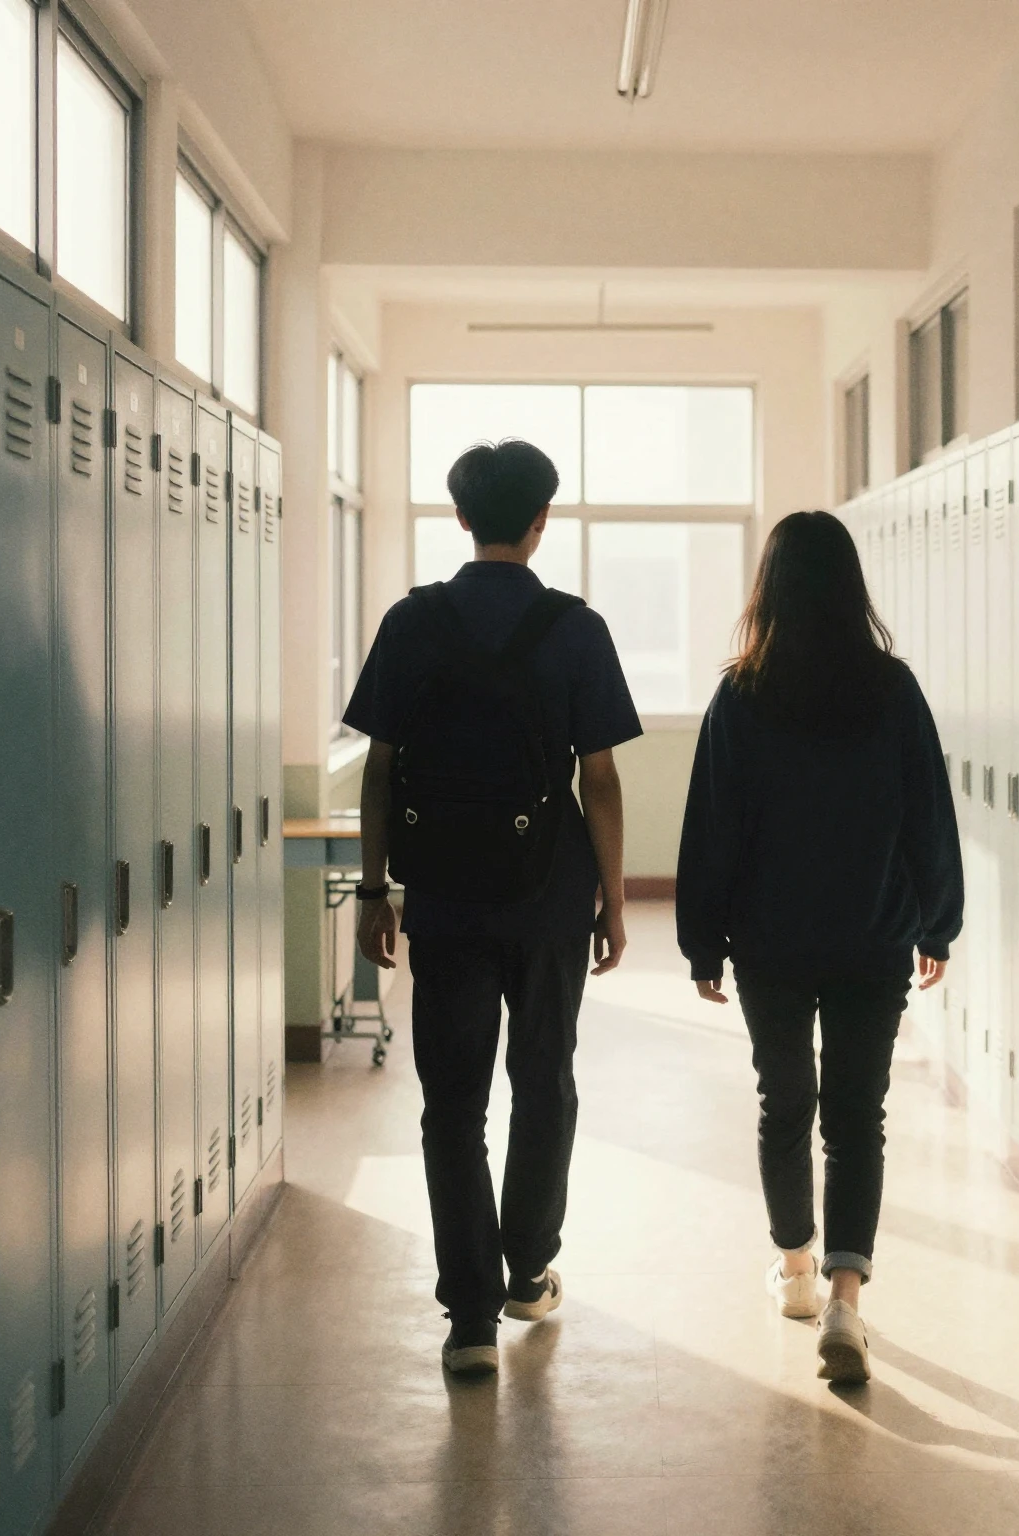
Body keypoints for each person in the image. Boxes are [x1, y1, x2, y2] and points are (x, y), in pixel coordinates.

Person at [347, 439, 641, 1376]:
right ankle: (528, 1270)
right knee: (544, 1082)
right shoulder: (576, 629)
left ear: (462, 517)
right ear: (542, 520)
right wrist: (613, 901)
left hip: (443, 899)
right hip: (549, 897)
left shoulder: (411, 622)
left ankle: (469, 1318)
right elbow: (600, 780)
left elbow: (380, 771)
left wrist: (374, 890)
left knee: (452, 1103)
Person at [676, 510, 963, 1385]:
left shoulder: (742, 695)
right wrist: (938, 922)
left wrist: (701, 942)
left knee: (785, 1102)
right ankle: (845, 1297)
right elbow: (928, 811)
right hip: (871, 935)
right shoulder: (891, 690)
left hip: (770, 940)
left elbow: (713, 827)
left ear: (768, 589)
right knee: (856, 1115)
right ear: (850, 588)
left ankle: (795, 1269)